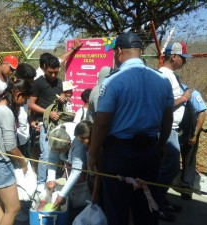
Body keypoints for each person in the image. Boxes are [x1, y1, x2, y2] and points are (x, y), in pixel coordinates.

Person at [88, 32, 174, 225]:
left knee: (117, 211)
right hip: (149, 152)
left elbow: (101, 123)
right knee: (147, 209)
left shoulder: (112, 82)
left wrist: (93, 154)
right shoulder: (162, 80)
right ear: (140, 52)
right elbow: (167, 119)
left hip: (119, 154)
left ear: (119, 51)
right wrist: (160, 145)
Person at [0, 79, 31, 225]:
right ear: (18, 94)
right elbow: (10, 147)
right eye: (25, 98)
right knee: (14, 208)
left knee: (1, 205)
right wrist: (23, 162)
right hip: (0, 165)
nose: (24, 103)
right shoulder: (6, 112)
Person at [157, 42, 193, 222]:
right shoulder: (164, 75)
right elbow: (162, 103)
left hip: (172, 129)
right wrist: (184, 98)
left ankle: (160, 200)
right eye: (183, 58)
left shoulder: (172, 76)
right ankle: (156, 204)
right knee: (168, 168)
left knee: (168, 167)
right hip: (167, 129)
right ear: (173, 56)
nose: (184, 62)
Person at [28, 53, 64, 188]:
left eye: (56, 72)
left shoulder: (60, 82)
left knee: (57, 153)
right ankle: (41, 183)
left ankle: (51, 179)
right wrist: (48, 113)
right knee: (45, 154)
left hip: (58, 123)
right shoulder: (38, 83)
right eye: (50, 72)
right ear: (43, 68)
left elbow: (60, 97)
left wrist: (62, 98)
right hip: (44, 123)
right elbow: (31, 104)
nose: (53, 75)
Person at [46, 121, 92, 208]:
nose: (58, 153)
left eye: (60, 151)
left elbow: (77, 171)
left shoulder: (78, 142)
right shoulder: (54, 137)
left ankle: (82, 205)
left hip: (82, 162)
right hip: (68, 153)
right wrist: (50, 179)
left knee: (80, 181)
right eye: (56, 151)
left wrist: (62, 194)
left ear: (68, 144)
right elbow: (52, 159)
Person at [179, 87, 206, 200]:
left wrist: (195, 134)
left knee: (189, 160)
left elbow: (202, 113)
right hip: (175, 129)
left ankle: (186, 188)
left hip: (190, 132)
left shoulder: (193, 93)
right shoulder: (172, 90)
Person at [13, 63, 36, 157]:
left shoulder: (25, 91)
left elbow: (24, 111)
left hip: (25, 137)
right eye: (30, 81)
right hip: (15, 141)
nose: (33, 83)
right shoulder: (12, 95)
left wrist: (31, 121)